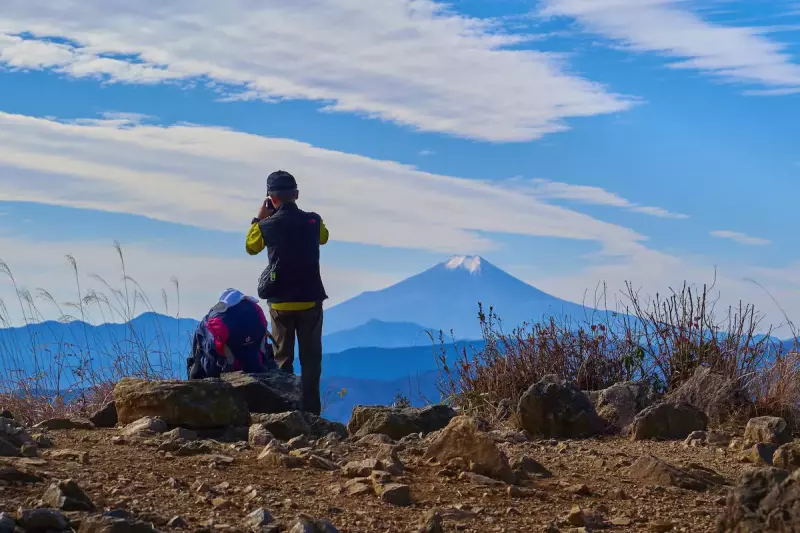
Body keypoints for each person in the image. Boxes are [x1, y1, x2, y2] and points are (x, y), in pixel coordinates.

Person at [245, 170, 329, 415]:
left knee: (283, 361)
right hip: (310, 300)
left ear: (270, 198)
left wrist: (257, 219)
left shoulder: (267, 225)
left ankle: (288, 414)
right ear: (297, 195)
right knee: (311, 361)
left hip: (280, 302)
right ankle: (313, 414)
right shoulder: (313, 221)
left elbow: (251, 247)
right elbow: (324, 238)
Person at [187, 288, 276, 379]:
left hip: (226, 368)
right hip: (258, 366)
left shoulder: (214, 318)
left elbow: (206, 343)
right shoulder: (255, 310)